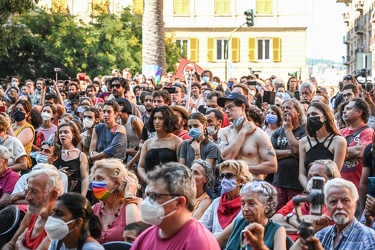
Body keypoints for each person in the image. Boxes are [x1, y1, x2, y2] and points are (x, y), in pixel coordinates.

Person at [132, 162, 220, 249]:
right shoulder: (144, 238)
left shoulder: (199, 243)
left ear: (179, 202)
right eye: (148, 195)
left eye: (156, 196)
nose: (148, 201)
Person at [294, 178, 375, 250]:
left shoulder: (368, 237)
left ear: (355, 204)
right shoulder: (321, 234)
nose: (339, 206)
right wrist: (310, 233)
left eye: (345, 201)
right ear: (326, 206)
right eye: (333, 201)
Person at [217, 92, 277, 180]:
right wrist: (243, 132)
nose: (226, 111)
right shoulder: (223, 132)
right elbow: (226, 157)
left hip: (252, 186)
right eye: (225, 108)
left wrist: (240, 168)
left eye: (230, 107)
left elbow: (272, 166)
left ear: (242, 107)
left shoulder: (258, 134)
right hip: (230, 185)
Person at [271, 159, 341, 234]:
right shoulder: (299, 199)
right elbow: (273, 222)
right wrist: (302, 229)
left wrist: (290, 217)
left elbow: (318, 229)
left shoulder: (336, 205)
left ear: (332, 180)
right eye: (310, 176)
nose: (312, 180)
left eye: (317, 177)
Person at [2, 168, 64, 250]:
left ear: (53, 195)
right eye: (28, 191)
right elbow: (11, 243)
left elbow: (16, 243)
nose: (27, 198)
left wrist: (19, 246)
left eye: (34, 192)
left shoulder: (59, 224)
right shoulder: (32, 212)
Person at [217, 181, 286, 250]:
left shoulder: (277, 230)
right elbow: (213, 244)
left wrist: (260, 246)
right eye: (243, 203)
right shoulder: (238, 223)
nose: (245, 209)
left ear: (267, 206)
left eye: (251, 203)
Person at [91, 158, 141, 244]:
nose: (95, 183)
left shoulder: (136, 204)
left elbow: (135, 233)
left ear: (116, 183)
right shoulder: (94, 209)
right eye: (94, 179)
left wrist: (129, 196)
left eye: (100, 179)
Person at [299, 102, 347, 189]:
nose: (310, 117)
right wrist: (309, 189)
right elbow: (301, 174)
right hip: (308, 191)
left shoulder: (339, 141)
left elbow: (335, 173)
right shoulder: (304, 142)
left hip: (330, 191)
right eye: (308, 115)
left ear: (325, 116)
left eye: (314, 114)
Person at [199, 160, 253, 236]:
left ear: (241, 180)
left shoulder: (246, 206)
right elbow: (201, 226)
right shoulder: (216, 202)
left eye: (229, 175)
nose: (224, 180)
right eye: (222, 176)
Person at [271, 99, 307, 210]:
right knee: (276, 214)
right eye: (283, 109)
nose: (285, 110)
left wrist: (288, 131)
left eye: (289, 108)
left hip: (297, 184)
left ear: (298, 112)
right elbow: (270, 154)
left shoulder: (304, 130)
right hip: (279, 182)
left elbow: (298, 150)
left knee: (295, 215)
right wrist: (290, 152)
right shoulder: (277, 133)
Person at [138, 106, 182, 183]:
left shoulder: (177, 142)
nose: (157, 121)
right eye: (154, 118)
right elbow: (141, 166)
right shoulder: (147, 143)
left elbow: (181, 168)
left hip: (170, 186)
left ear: (168, 120)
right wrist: (147, 180)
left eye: (161, 118)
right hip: (150, 186)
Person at [340, 98, 373, 189]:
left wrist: (337, 151)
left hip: (357, 188)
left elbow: (360, 151)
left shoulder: (368, 132)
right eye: (344, 109)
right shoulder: (340, 132)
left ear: (359, 112)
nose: (344, 112)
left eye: (349, 109)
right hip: (339, 187)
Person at [54, 121, 89, 196]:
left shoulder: (81, 155)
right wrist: (58, 172)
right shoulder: (55, 153)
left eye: (66, 132)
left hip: (75, 195)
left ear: (73, 135)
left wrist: (82, 198)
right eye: (60, 132)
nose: (62, 135)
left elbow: (85, 178)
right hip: (58, 196)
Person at [10, 99, 34, 169]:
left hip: (20, 165)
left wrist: (8, 126)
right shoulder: (11, 126)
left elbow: (16, 144)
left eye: (21, 110)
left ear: (27, 114)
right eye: (16, 109)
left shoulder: (28, 128)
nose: (17, 111)